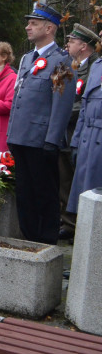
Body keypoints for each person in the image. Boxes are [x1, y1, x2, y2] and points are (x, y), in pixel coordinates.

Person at [7, 3, 76, 244]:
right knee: (25, 193)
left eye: (33, 24)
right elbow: (19, 98)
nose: (28, 27)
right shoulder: (28, 59)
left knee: (44, 194)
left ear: (49, 28)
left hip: (41, 140)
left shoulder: (61, 61)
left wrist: (52, 140)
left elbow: (62, 104)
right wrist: (11, 134)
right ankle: (29, 238)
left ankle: (45, 243)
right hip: (20, 137)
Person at [60, 23, 101, 239]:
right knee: (66, 178)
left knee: (81, 180)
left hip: (83, 131)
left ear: (83, 46)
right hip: (70, 132)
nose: (68, 44)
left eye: (72, 42)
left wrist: (61, 113)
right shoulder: (68, 64)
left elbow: (81, 103)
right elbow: (60, 94)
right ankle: (68, 220)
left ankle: (76, 225)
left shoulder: (94, 65)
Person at [68, 51, 102, 222]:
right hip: (87, 136)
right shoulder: (97, 66)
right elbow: (84, 105)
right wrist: (76, 141)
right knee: (84, 193)